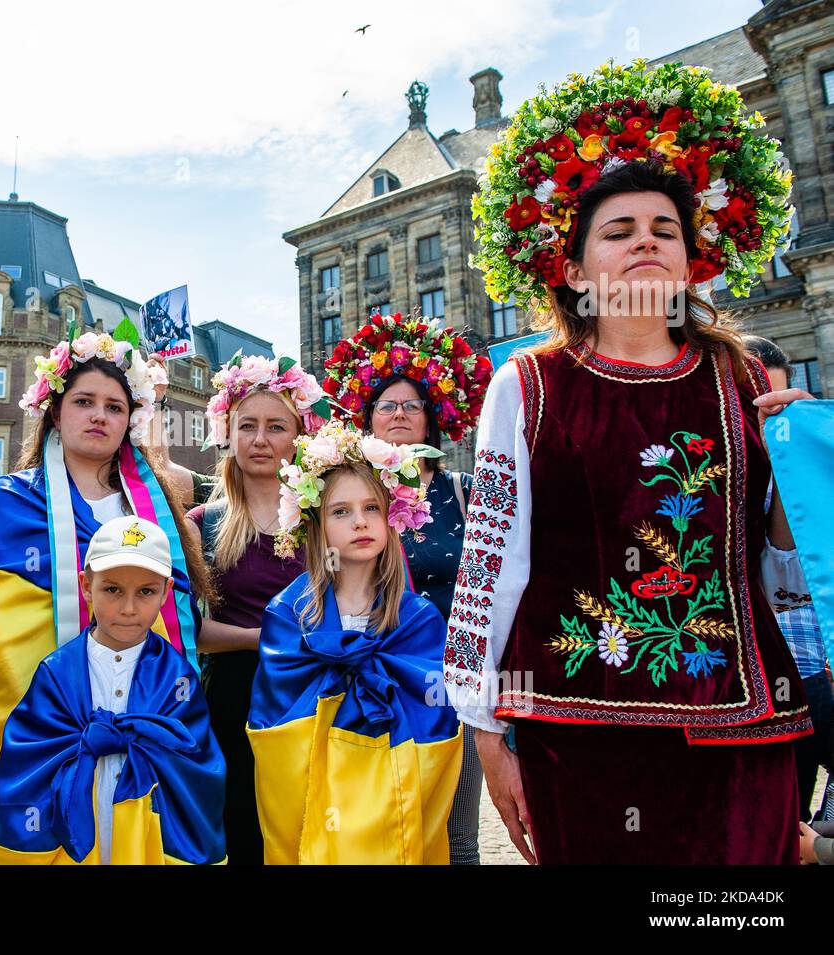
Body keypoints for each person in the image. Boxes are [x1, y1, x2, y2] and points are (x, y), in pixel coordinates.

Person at [447, 61, 812, 864]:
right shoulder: (530, 383)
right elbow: (491, 559)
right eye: (618, 231)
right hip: (576, 724)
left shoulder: (743, 377)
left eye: (664, 229)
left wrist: (801, 469)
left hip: (739, 721)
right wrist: (482, 723)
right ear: (575, 271)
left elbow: (779, 557)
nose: (645, 239)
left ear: (690, 264)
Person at [0, 327, 211, 864]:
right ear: (56, 411)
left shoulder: (151, 509)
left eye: (114, 407)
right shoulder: (12, 499)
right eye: (84, 402)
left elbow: (172, 616)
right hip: (28, 729)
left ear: (130, 420)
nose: (99, 416)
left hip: (129, 726)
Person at [248, 420, 463, 863]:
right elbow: (277, 723)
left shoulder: (418, 620)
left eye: (372, 508)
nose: (360, 522)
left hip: (397, 800)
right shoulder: (290, 616)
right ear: (316, 525)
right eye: (340, 511)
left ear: (392, 518)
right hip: (316, 802)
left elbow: (435, 715)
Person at [323, 313, 493, 864]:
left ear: (431, 419)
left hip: (451, 680)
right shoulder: (343, 496)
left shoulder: (467, 492)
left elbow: (489, 588)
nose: (398, 414)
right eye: (386, 406)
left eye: (411, 406)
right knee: (379, 826)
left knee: (457, 833)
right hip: (368, 680)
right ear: (367, 418)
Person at [0, 516, 226, 864]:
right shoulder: (57, 673)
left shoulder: (177, 677)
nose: (128, 608)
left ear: (165, 592)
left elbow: (194, 763)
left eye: (145, 591)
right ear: (86, 586)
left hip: (148, 824)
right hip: (74, 815)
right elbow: (29, 755)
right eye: (112, 589)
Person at [182, 353, 328, 865]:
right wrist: (262, 638)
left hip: (315, 697)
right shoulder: (204, 522)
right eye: (248, 426)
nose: (260, 439)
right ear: (229, 432)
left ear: (299, 435)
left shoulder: (323, 521)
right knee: (244, 832)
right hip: (233, 701)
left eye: (275, 427)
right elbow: (189, 631)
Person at [745, 335, 834, 820]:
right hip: (743, 684)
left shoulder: (808, 468)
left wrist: (794, 456)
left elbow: (786, 568)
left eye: (777, 407)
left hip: (811, 673)